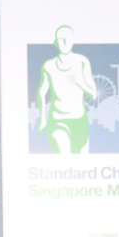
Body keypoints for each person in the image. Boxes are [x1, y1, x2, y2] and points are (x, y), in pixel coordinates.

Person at [37, 25, 97, 154]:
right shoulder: (49, 65)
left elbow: (93, 94)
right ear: (56, 42)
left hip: (79, 119)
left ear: (72, 40)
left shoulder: (82, 62)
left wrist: (80, 83)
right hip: (58, 119)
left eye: (67, 39)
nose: (64, 42)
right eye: (60, 39)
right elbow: (42, 93)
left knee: (83, 162)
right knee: (64, 158)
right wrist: (42, 118)